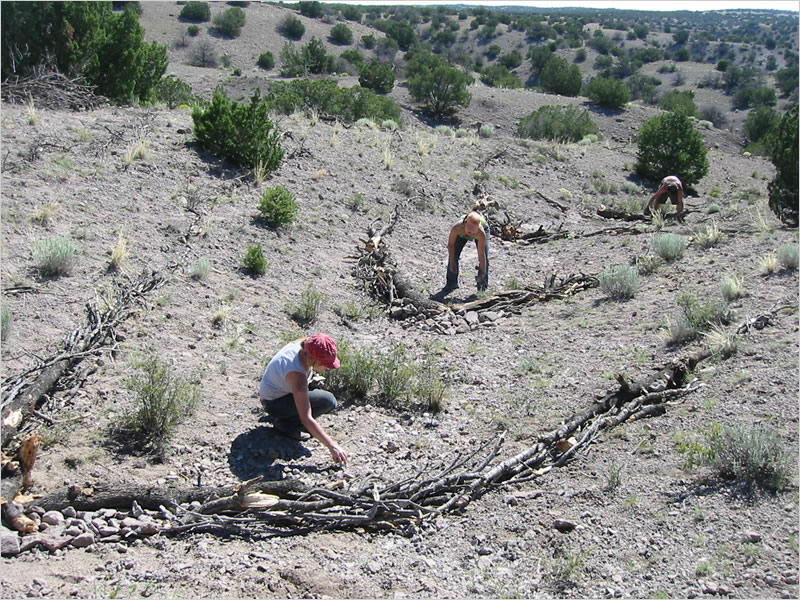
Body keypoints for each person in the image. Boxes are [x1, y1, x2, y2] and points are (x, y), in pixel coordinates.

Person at [258, 333, 349, 465]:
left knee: (324, 399)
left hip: (278, 392)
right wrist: (332, 446)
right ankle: (286, 425)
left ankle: (287, 418)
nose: (327, 368)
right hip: (273, 403)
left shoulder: (304, 346)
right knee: (328, 401)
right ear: (313, 360)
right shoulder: (296, 373)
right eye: (325, 365)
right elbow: (306, 418)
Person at [445, 211, 490, 292]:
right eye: (469, 231)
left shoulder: (481, 232)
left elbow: (481, 253)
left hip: (483, 230)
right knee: (454, 253)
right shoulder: (457, 228)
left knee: (485, 257)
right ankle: (451, 283)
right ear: (465, 224)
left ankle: (482, 287)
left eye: (473, 232)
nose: (471, 235)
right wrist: (452, 262)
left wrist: (483, 272)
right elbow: (451, 245)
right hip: (462, 233)